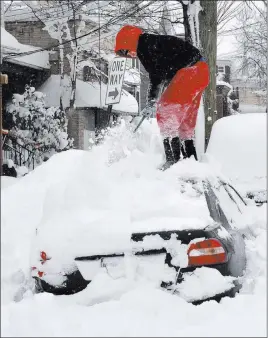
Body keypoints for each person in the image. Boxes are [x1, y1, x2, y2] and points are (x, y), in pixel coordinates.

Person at [114, 25, 210, 170]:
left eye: (126, 50)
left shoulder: (144, 46)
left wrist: (152, 100)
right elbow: (165, 68)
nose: (129, 54)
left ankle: (173, 161)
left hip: (190, 72)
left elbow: (156, 74)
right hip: (201, 72)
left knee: (166, 110)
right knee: (184, 121)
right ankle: (191, 162)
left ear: (128, 41)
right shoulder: (152, 42)